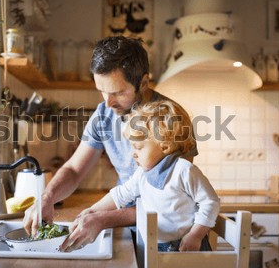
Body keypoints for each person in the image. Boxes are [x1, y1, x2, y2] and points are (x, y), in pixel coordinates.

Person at [23, 36, 198, 251]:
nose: (108, 101)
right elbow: (74, 169)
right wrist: (47, 197)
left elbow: (171, 202)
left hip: (169, 239)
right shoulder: (104, 114)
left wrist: (105, 219)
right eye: (102, 90)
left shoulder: (171, 119)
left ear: (143, 83)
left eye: (118, 92)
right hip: (128, 228)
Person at [79, 100, 220, 252]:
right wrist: (91, 211)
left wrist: (196, 235)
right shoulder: (142, 174)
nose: (133, 153)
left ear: (165, 146)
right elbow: (120, 195)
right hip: (155, 247)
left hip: (186, 246)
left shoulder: (184, 170)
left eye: (138, 147)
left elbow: (211, 202)